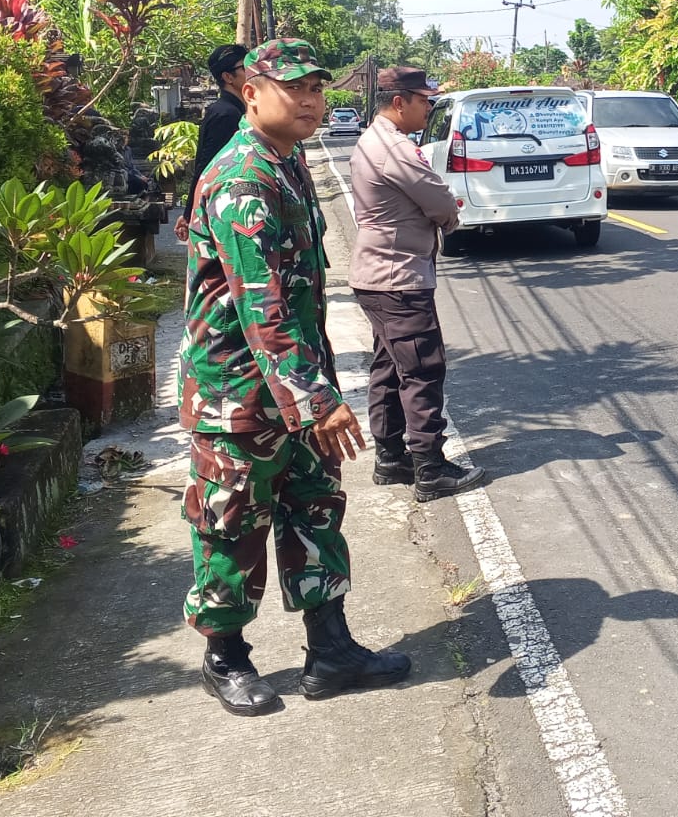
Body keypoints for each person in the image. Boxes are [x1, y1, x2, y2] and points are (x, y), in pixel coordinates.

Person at [178, 37, 410, 716]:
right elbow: (263, 307)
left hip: (297, 388)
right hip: (238, 396)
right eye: (294, 88)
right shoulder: (243, 178)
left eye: (317, 88)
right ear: (250, 93)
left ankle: (330, 649)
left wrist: (313, 396)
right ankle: (225, 658)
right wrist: (317, 402)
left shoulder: (287, 162)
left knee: (315, 509)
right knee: (232, 525)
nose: (311, 100)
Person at [349, 65, 487, 502]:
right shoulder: (395, 147)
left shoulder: (373, 141)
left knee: (390, 366)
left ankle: (391, 457)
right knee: (422, 370)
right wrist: (449, 219)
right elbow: (439, 200)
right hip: (399, 278)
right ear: (399, 102)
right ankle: (429, 468)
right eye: (425, 100)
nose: (430, 108)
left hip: (379, 275)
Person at [173, 43, 249, 242]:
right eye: (245, 67)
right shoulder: (226, 115)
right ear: (228, 77)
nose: (252, 71)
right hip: (227, 210)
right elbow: (207, 167)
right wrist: (189, 214)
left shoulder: (234, 110)